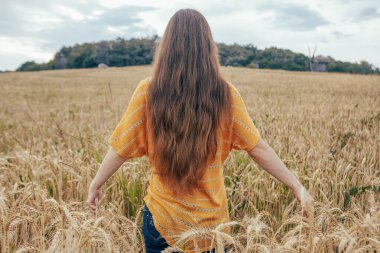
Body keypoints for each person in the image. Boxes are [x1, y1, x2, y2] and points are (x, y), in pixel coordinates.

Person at [86, 8, 314, 253]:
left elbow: (120, 147)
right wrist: (296, 186)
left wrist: (95, 184)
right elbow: (257, 147)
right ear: (208, 47)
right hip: (212, 228)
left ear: (167, 47)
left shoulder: (148, 92)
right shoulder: (226, 95)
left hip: (162, 220)